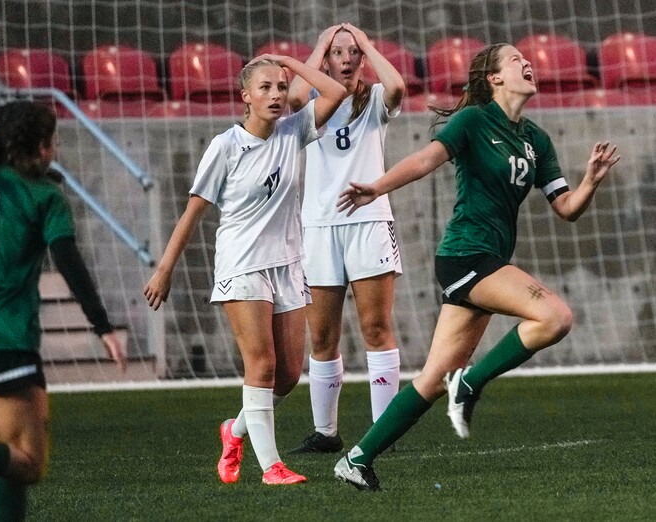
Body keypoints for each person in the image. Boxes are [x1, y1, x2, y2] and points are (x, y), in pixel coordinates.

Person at [332, 43, 620, 491]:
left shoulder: (537, 140)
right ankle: (469, 382)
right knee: (555, 316)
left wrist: (590, 181)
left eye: (527, 59)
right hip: (467, 255)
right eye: (516, 60)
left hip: (488, 260)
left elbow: (566, 208)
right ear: (494, 78)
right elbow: (426, 159)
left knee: (430, 380)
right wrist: (376, 187)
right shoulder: (472, 121)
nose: (528, 63)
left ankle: (356, 458)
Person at [143, 52, 347, 485]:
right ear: (245, 97)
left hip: (287, 266)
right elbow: (193, 211)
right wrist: (165, 268)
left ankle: (232, 432)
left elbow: (336, 91)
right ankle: (271, 467)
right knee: (262, 365)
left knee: (289, 376)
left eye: (280, 86)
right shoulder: (226, 146)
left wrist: (291, 60)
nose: (275, 95)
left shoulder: (294, 131)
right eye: (265, 88)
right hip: (242, 265)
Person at [0, 100, 127, 519]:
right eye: (53, 139)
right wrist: (101, 325)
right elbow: (68, 260)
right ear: (40, 146)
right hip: (4, 335)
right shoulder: (44, 195)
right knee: (29, 463)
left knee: (8, 459)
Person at [286, 23, 407, 454]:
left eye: (353, 52)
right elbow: (294, 97)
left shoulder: (375, 100)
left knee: (376, 327)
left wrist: (370, 44)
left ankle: (384, 431)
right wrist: (318, 44)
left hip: (369, 221)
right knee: (322, 336)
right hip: (318, 226)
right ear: (327, 58)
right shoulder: (313, 103)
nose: (347, 58)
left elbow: (397, 86)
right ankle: (325, 432)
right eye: (339, 52)